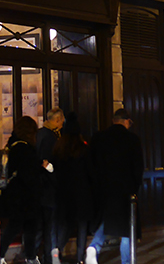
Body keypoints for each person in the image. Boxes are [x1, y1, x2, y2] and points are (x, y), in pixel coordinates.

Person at [86, 108, 144, 264]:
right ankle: (126, 261)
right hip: (125, 189)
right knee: (126, 228)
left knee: (106, 219)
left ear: (113, 120)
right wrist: (135, 187)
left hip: (103, 188)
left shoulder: (99, 138)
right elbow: (138, 168)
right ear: (126, 121)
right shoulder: (132, 139)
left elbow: (91, 163)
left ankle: (94, 246)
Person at [0, 116, 52, 264]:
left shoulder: (13, 145)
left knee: (22, 227)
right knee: (24, 228)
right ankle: (26, 257)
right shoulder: (25, 148)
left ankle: (24, 256)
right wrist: (41, 169)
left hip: (16, 195)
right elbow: (29, 174)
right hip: (25, 197)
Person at [53, 112, 94, 264]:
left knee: (65, 225)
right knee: (82, 227)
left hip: (64, 192)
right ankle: (80, 259)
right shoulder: (83, 149)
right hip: (82, 192)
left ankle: (56, 252)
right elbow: (91, 171)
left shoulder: (59, 148)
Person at [36, 107, 64, 264]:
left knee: (41, 225)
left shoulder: (40, 134)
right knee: (51, 226)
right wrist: (55, 177)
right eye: (62, 120)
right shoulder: (51, 138)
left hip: (40, 188)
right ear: (57, 120)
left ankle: (34, 255)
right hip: (49, 189)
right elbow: (47, 163)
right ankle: (51, 258)